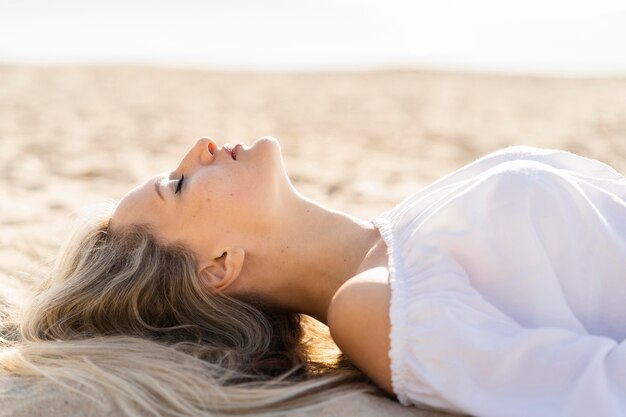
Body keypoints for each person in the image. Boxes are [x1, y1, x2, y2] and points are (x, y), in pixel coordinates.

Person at [3, 137, 626, 417]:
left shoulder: (408, 233)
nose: (201, 147)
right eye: (180, 185)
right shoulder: (375, 305)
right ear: (219, 267)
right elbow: (597, 391)